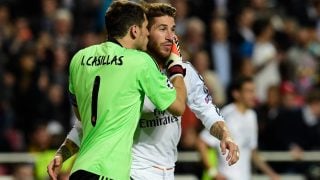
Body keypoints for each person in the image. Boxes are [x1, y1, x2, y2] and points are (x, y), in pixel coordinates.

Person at [47, 2, 238, 180]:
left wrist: (225, 135)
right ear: (143, 32)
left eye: (173, 29)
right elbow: (91, 123)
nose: (170, 37)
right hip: (131, 170)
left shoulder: (186, 72)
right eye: (161, 29)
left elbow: (207, 110)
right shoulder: (132, 67)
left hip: (166, 171)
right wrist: (65, 151)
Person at [197, 76, 279, 180]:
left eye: (253, 91)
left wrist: (271, 174)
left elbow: (252, 151)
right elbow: (201, 142)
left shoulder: (252, 116)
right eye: (248, 91)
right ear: (236, 94)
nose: (253, 95)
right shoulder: (226, 114)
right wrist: (213, 172)